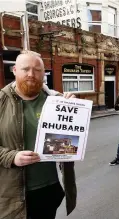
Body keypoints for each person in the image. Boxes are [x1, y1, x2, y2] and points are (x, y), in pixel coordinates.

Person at [0, 50, 77, 219]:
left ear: (44, 73)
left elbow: (70, 142)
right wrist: (11, 157)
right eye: (25, 69)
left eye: (37, 70)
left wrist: (75, 113)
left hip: (48, 189)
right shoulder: (1, 102)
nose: (31, 74)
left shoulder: (57, 100)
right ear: (14, 70)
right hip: (11, 195)